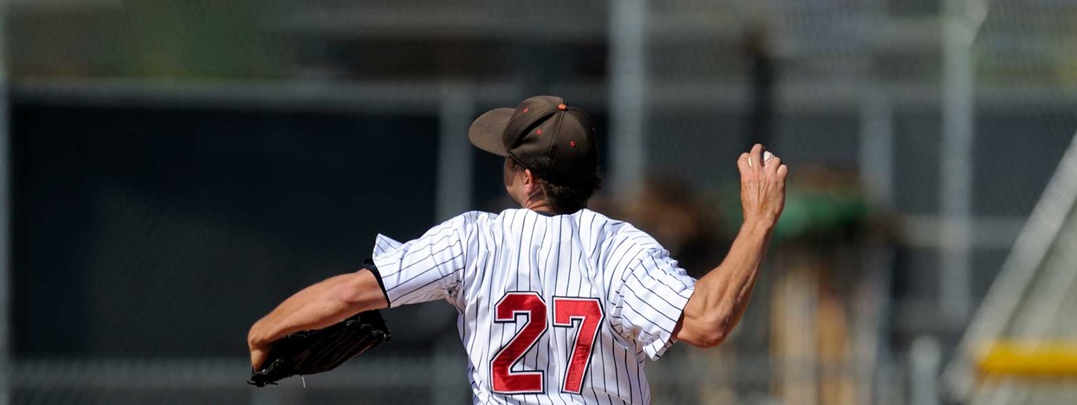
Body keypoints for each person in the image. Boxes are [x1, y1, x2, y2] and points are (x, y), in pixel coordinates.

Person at [248, 95, 788, 403]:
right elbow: (710, 320)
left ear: (528, 179)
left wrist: (265, 329)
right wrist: (759, 220)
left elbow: (350, 294)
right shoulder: (621, 250)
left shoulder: (473, 240)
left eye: (509, 159)